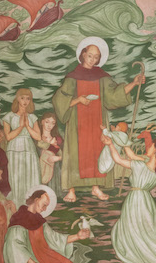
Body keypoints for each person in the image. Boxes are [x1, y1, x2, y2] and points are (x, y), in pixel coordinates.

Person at [51, 38, 145, 202]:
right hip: (76, 123)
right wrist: (78, 100)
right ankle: (71, 189)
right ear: (83, 54)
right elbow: (59, 100)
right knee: (75, 152)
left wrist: (134, 83)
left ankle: (96, 188)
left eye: (96, 57)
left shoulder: (102, 77)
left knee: (97, 151)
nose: (93, 60)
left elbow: (114, 95)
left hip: (97, 121)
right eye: (90, 56)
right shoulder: (72, 77)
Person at [99, 128, 156, 263]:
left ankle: (136, 253)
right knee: (147, 229)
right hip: (147, 202)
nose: (148, 147)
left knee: (134, 226)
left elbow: (118, 159)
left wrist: (111, 144)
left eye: (151, 146)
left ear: (155, 151)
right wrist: (123, 142)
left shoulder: (140, 166)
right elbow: (132, 154)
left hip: (135, 200)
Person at [2, 88, 42, 204]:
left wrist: (27, 126)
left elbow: (38, 137)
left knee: (31, 177)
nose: (25, 101)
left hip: (29, 149)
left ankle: (31, 206)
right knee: (16, 177)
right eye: (22, 98)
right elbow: (8, 137)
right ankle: (17, 205)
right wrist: (20, 127)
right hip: (14, 149)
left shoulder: (32, 117)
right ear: (17, 99)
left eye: (28, 98)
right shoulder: (9, 116)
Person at [35, 112, 63, 187]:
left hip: (53, 170)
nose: (49, 125)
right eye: (47, 122)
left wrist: (58, 158)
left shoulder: (57, 139)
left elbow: (63, 154)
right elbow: (39, 144)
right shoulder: (37, 137)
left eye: (53, 123)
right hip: (38, 168)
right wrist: (50, 145)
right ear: (42, 122)